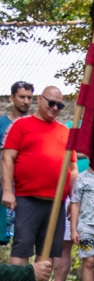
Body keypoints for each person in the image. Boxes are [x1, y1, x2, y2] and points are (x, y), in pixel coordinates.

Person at [1, 85, 78, 281]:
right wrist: (7, 191)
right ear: (39, 100)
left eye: (60, 105)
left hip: (56, 202)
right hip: (27, 198)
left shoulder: (65, 131)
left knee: (49, 250)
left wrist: (73, 199)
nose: (55, 107)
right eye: (51, 102)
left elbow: (73, 168)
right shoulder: (21, 125)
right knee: (22, 247)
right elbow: (7, 159)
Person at [0, 81, 33, 260]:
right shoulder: (1, 124)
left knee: (23, 239)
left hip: (26, 190)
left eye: (29, 97)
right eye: (22, 97)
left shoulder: (35, 125)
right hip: (3, 187)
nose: (26, 101)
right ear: (12, 98)